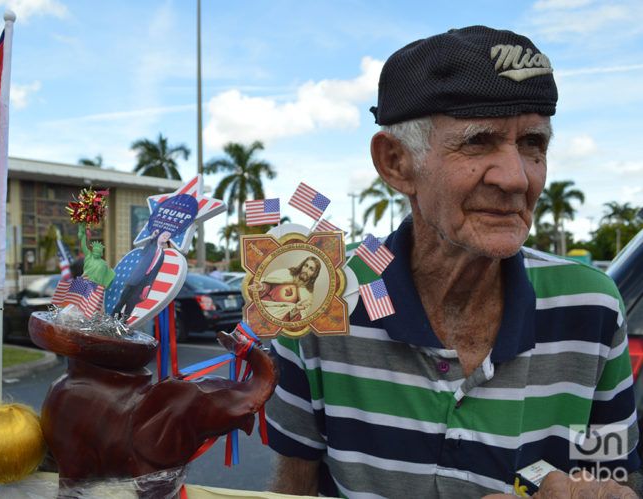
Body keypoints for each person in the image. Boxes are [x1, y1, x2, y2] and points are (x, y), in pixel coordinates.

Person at [265, 26, 641, 498]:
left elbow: (612, 474)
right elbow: (291, 487)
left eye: (532, 144)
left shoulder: (590, 307)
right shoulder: (323, 301)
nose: (516, 178)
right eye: (478, 141)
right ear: (397, 163)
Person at [112, 229, 171, 319]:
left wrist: (148, 286)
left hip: (144, 283)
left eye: (167, 236)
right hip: (135, 279)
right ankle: (113, 319)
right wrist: (152, 237)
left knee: (131, 305)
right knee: (122, 301)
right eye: (164, 235)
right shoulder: (151, 246)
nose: (165, 237)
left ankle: (123, 323)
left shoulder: (162, 254)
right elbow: (144, 251)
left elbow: (154, 272)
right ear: (159, 235)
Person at [252, 256, 321, 322]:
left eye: (311, 269)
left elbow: (297, 321)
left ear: (314, 274)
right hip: (261, 307)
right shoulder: (286, 274)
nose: (306, 270)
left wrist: (295, 311)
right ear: (302, 266)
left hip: (276, 318)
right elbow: (268, 285)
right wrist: (262, 287)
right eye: (306, 266)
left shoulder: (307, 296)